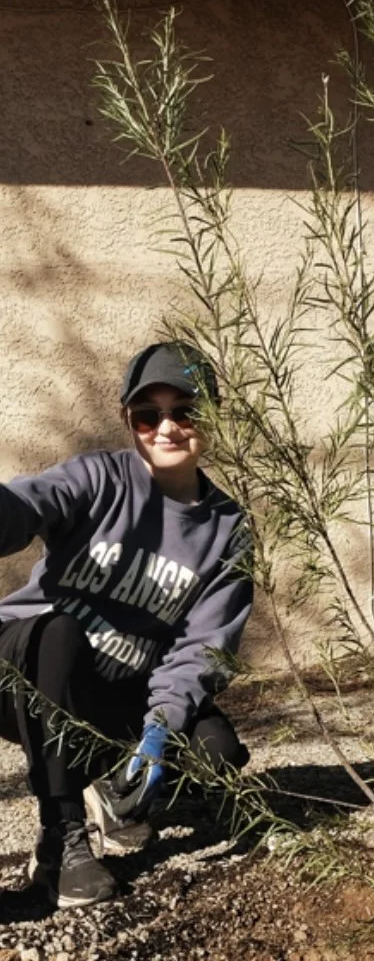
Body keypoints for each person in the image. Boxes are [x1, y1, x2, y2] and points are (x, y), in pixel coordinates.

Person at [0, 342, 252, 909]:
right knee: (62, 632)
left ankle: (117, 790)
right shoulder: (99, 480)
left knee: (216, 749)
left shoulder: (227, 530)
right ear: (129, 422)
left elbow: (203, 649)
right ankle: (61, 840)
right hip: (20, 668)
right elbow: (29, 503)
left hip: (110, 682)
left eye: (184, 410)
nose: (167, 427)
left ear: (211, 416)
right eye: (148, 414)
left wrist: (161, 727)